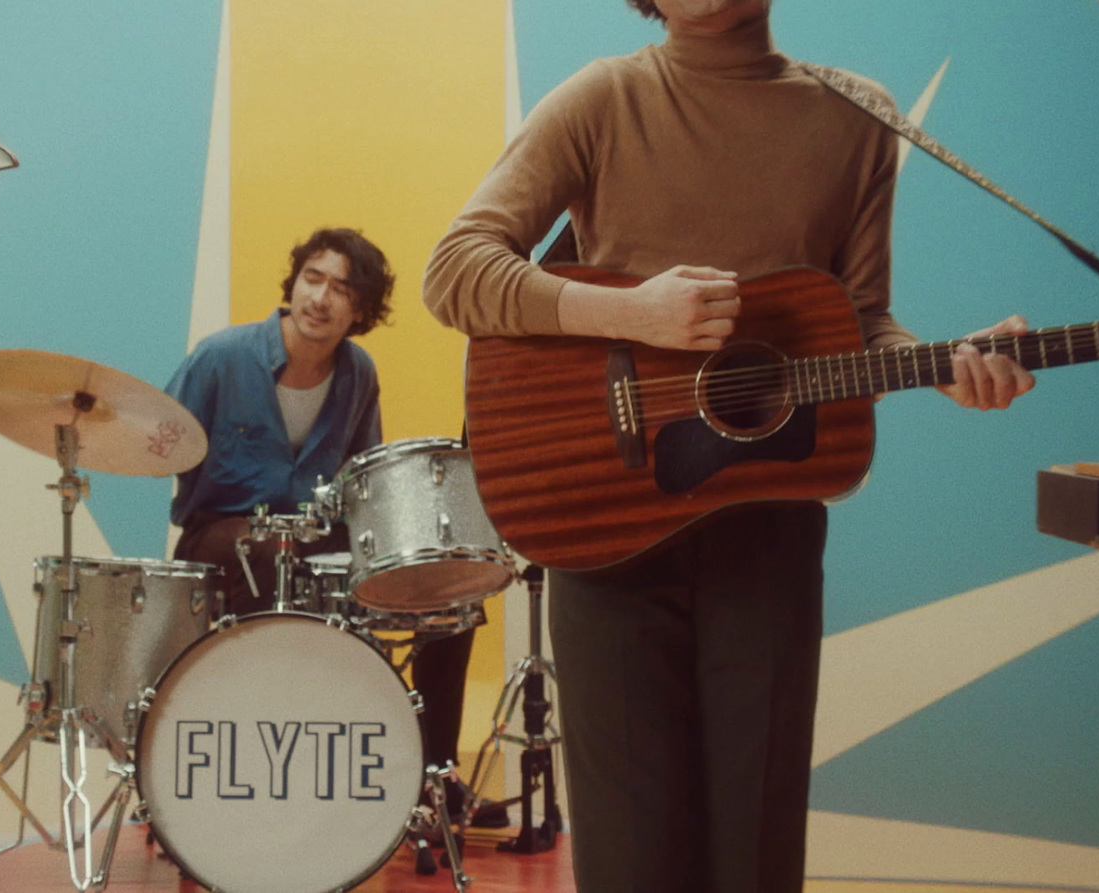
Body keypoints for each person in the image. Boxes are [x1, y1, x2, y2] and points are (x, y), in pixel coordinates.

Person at [422, 1, 1034, 890]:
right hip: (607, 524)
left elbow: (858, 322)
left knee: (756, 851)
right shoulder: (604, 98)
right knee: (632, 862)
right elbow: (456, 269)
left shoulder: (856, 113)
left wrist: (945, 366)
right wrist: (630, 312)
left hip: (769, 533)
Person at [167, 227, 480, 819]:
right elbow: (159, 439)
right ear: (294, 283)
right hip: (222, 538)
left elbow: (363, 478)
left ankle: (433, 777)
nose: (321, 297)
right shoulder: (221, 357)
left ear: (359, 310)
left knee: (451, 592)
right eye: (313, 278)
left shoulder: (358, 372)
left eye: (341, 289)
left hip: (319, 542)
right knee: (262, 551)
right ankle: (260, 764)